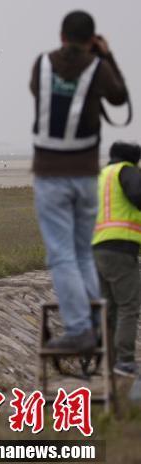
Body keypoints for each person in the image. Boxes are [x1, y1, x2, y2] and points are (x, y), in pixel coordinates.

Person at [30, 10, 129, 352]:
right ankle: (96, 324)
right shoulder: (97, 68)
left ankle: (78, 328)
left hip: (50, 172)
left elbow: (38, 92)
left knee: (61, 256)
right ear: (91, 39)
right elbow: (118, 97)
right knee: (82, 254)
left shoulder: (41, 65)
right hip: (86, 173)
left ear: (60, 36)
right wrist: (105, 55)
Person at [92, 141, 141, 377]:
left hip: (97, 248)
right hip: (121, 248)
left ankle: (108, 362)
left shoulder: (101, 176)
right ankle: (125, 360)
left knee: (108, 307)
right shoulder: (127, 171)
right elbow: (137, 195)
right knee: (128, 305)